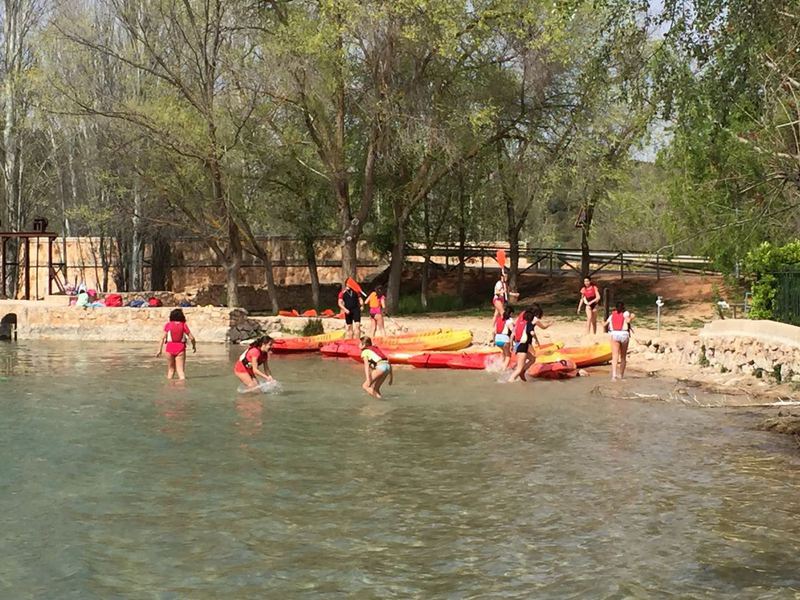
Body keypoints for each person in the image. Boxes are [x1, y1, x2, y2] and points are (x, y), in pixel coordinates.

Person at [508, 305, 551, 382]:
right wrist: (537, 340)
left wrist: (511, 345)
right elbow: (532, 333)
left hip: (520, 344)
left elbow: (513, 334)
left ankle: (522, 371)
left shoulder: (522, 322)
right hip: (523, 346)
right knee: (519, 368)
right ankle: (510, 381)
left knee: (532, 359)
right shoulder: (529, 324)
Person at [156, 308, 196, 380]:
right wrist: (194, 346)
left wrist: (159, 350)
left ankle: (169, 385)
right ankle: (182, 385)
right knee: (180, 371)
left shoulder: (168, 325)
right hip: (180, 349)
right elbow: (192, 338)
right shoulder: (183, 325)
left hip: (169, 348)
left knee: (171, 370)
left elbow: (162, 338)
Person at [605, 301, 635, 381]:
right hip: (624, 334)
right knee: (623, 356)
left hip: (614, 334)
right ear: (623, 307)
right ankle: (621, 375)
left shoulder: (612, 315)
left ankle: (614, 376)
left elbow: (605, 324)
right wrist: (632, 317)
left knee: (615, 356)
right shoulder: (626, 313)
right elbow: (628, 321)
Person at [493, 305, 515, 369]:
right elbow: (513, 332)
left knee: (504, 353)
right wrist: (512, 344)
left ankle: (500, 366)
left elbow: (493, 332)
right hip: (505, 339)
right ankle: (503, 370)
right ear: (511, 313)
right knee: (508, 356)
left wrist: (494, 341)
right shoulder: (509, 321)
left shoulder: (498, 320)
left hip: (497, 340)